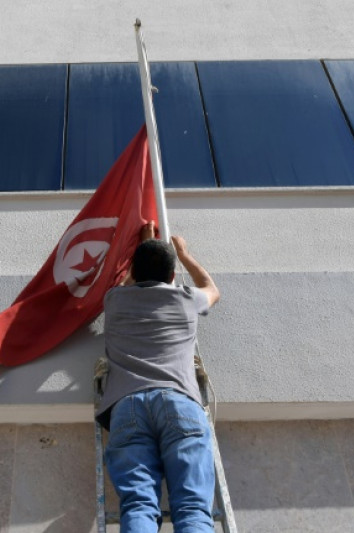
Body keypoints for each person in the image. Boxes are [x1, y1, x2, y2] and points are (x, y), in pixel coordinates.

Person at [95, 221, 221, 533]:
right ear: (172, 276)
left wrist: (144, 242)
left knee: (138, 506)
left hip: (127, 406)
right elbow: (212, 289)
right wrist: (183, 253)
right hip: (181, 404)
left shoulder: (114, 301)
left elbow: (128, 283)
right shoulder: (186, 299)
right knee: (192, 507)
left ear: (134, 273)